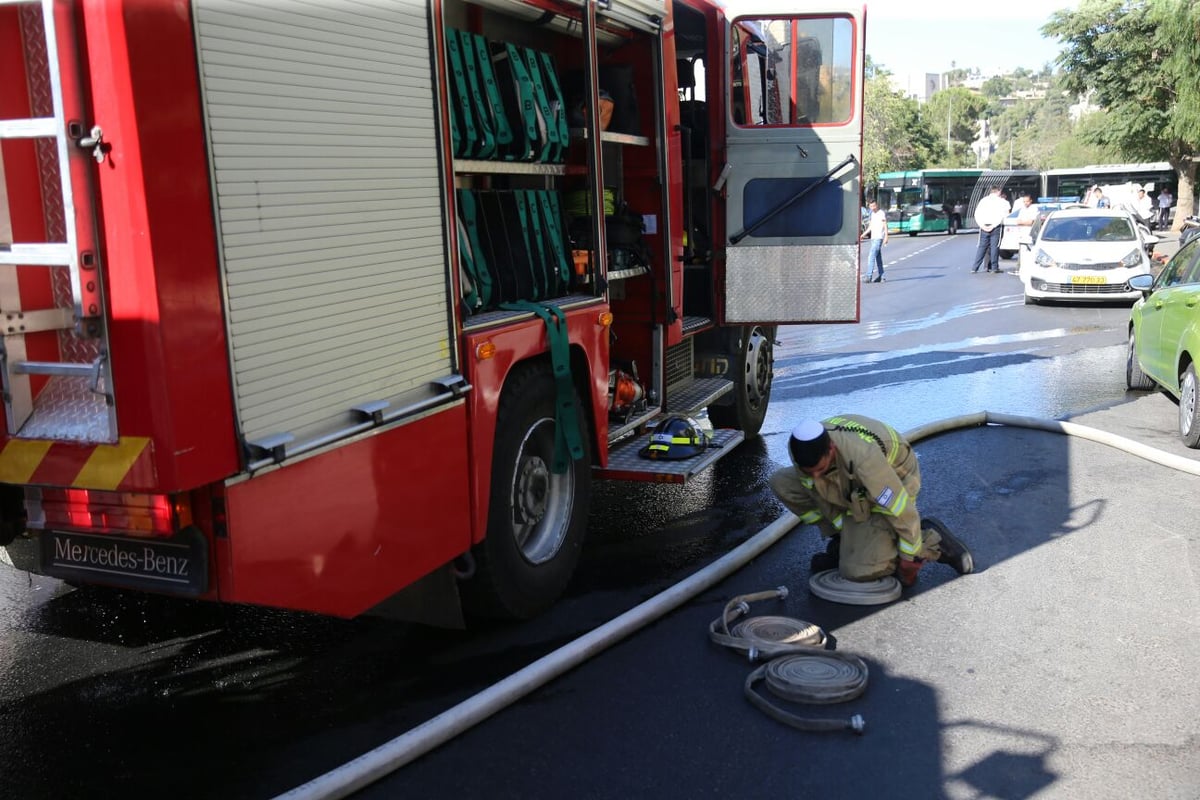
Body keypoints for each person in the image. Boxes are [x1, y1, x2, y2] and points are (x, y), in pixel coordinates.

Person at [769, 416, 974, 588]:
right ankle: (846, 542)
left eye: (819, 470)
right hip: (849, 479)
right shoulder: (800, 451)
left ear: (831, 449)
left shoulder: (865, 461)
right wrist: (845, 536)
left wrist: (908, 560)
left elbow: (900, 510)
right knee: (782, 483)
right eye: (808, 472)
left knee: (857, 572)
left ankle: (931, 541)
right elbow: (815, 490)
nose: (814, 477)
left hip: (897, 476)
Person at [971, 186, 1010, 273]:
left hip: (984, 226)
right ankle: (994, 268)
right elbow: (1003, 215)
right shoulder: (1001, 201)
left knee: (982, 247)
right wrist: (993, 225)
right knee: (994, 247)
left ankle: (975, 268)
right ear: (998, 192)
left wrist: (982, 225)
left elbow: (977, 214)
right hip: (996, 227)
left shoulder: (983, 200)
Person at [865, 200, 888, 283]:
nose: (873, 208)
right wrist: (863, 234)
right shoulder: (872, 214)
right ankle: (882, 276)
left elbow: (885, 225)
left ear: (877, 205)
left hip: (879, 238)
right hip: (873, 238)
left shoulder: (881, 213)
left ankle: (869, 276)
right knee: (878, 258)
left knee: (871, 256)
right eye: (871, 206)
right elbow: (870, 226)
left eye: (874, 206)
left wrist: (886, 236)